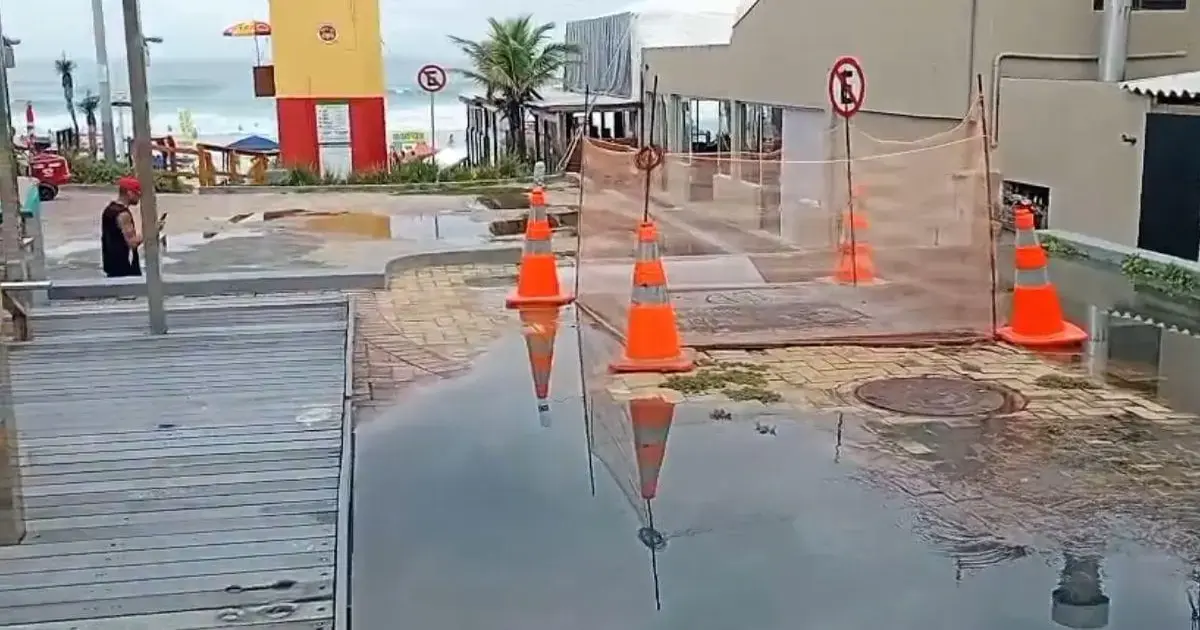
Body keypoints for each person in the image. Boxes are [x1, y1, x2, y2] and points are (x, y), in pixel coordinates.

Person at [101, 177, 143, 278]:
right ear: (129, 193)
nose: (140, 196)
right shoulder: (123, 214)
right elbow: (132, 243)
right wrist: (152, 230)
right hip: (124, 268)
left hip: (111, 265)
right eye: (137, 193)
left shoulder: (109, 209)